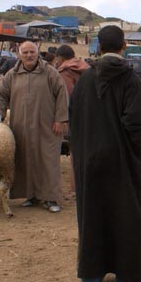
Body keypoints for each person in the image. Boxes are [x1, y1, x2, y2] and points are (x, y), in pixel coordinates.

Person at [68, 24, 141, 282]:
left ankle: (92, 280)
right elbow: (135, 123)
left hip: (90, 159)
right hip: (121, 160)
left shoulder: (85, 79)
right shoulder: (129, 79)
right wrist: (138, 153)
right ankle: (129, 277)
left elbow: (75, 118)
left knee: (92, 213)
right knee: (127, 213)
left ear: (98, 46)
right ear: (123, 46)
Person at [0, 41, 68, 213]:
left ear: (37, 53)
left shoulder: (50, 72)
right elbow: (0, 95)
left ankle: (50, 198)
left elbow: (62, 94)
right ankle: (31, 195)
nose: (29, 55)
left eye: (32, 52)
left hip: (47, 126)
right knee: (25, 160)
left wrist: (61, 119)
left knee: (48, 161)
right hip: (21, 126)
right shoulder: (12, 74)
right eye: (25, 52)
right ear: (19, 54)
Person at [55, 44, 90, 197]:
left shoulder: (65, 72)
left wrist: (63, 119)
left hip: (76, 117)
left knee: (76, 153)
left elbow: (67, 96)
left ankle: (76, 188)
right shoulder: (86, 67)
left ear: (60, 58)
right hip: (91, 114)